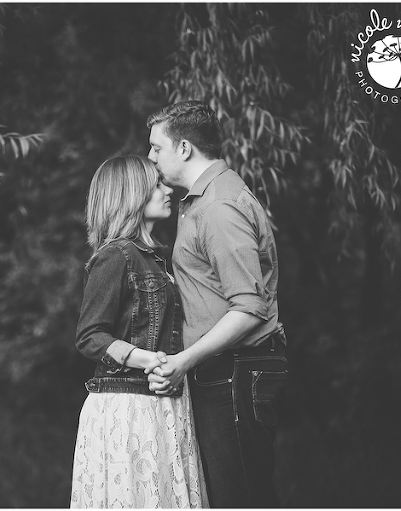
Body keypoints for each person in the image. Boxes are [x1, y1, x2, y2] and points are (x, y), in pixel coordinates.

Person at [144, 100, 288, 507]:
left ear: (184, 148)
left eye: (157, 148)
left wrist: (183, 361)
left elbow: (248, 309)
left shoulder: (218, 208)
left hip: (237, 371)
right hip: (228, 371)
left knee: (241, 498)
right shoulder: (201, 202)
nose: (151, 157)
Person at [70, 155, 209, 509]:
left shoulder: (156, 259)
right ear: (132, 194)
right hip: (128, 408)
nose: (168, 190)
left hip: (164, 402)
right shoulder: (116, 256)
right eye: (158, 185)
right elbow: (90, 335)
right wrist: (151, 360)